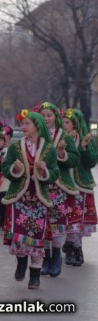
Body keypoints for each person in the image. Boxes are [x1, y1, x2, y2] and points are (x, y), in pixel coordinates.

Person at [1, 109, 59, 289]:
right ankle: (21, 261)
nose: (23, 127)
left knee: (37, 238)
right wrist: (15, 169)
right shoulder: (16, 147)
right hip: (20, 198)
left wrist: (43, 171)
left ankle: (35, 275)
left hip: (39, 200)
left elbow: (55, 173)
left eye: (27, 124)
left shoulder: (49, 149)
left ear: (38, 126)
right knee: (19, 236)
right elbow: (5, 167)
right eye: (23, 123)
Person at [36, 102, 80, 277]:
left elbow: (74, 160)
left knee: (56, 223)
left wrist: (62, 153)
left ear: (56, 117)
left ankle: (55, 256)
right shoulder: (36, 136)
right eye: (43, 115)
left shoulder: (64, 136)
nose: (46, 118)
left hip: (59, 187)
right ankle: (45, 257)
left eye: (49, 115)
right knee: (42, 221)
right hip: (40, 185)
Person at [62, 109, 97, 267]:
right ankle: (71, 246)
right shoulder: (60, 140)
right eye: (62, 122)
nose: (64, 125)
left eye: (67, 123)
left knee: (78, 221)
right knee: (68, 220)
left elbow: (91, 162)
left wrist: (83, 148)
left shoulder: (86, 139)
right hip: (64, 185)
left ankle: (76, 248)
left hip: (81, 186)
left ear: (75, 124)